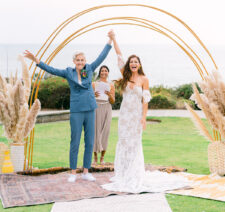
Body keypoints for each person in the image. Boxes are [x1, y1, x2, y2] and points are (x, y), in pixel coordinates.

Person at [102, 31, 188, 193]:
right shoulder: (125, 77)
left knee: (134, 144)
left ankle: (134, 173)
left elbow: (145, 100)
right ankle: (124, 172)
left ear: (139, 65)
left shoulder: (144, 79)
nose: (133, 63)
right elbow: (119, 55)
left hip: (136, 117)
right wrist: (114, 39)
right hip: (124, 116)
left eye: (136, 62)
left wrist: (143, 118)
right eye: (131, 61)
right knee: (124, 142)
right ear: (129, 65)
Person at [24, 30, 114, 183]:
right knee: (75, 141)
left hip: (91, 109)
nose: (80, 62)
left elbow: (101, 56)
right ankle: (73, 172)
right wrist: (36, 61)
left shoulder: (89, 69)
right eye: (78, 60)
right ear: (74, 61)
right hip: (77, 111)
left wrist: (110, 41)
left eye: (82, 59)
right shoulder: (68, 72)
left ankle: (86, 171)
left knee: (90, 141)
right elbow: (51, 70)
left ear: (85, 60)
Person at [92, 65, 115, 165]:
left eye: (106, 71)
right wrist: (93, 95)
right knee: (95, 132)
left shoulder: (111, 85)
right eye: (102, 71)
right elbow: (88, 98)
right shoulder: (94, 84)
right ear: (99, 72)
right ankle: (95, 157)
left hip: (107, 107)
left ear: (108, 73)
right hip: (96, 107)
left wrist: (109, 95)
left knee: (105, 132)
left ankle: (102, 157)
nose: (104, 72)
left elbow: (113, 101)